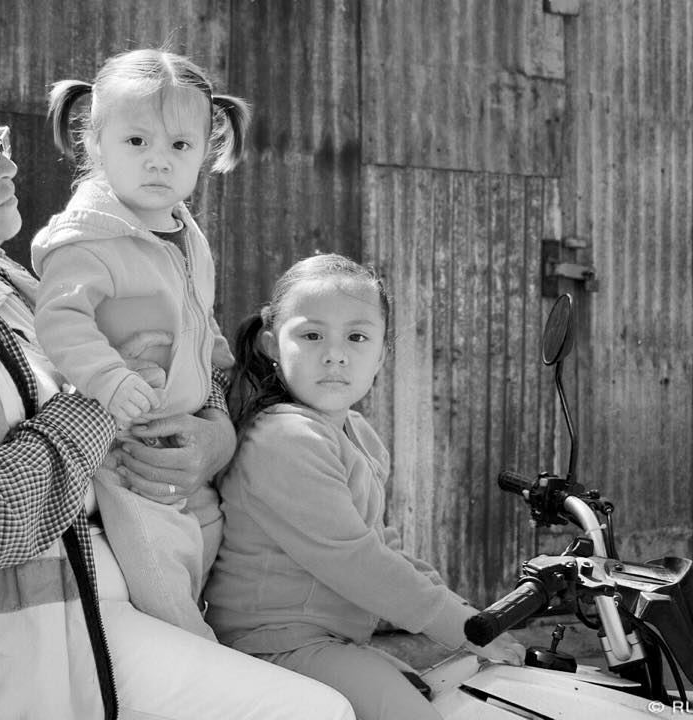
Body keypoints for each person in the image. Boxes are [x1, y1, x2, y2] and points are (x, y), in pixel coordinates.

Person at [0, 44, 354, 720]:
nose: (9, 163)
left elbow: (177, 363)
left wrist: (212, 435)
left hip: (80, 625)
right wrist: (95, 409)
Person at [204, 254, 525, 720]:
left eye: (357, 337)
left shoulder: (358, 434)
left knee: (452, 692)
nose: (335, 354)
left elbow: (383, 547)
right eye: (312, 335)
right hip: (274, 642)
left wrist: (468, 611)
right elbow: (358, 561)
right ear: (274, 344)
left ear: (381, 353)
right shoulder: (283, 439)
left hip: (331, 640)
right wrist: (465, 628)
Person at [31, 48, 248, 639]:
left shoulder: (182, 232)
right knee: (159, 571)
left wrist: (217, 371)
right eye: (135, 142)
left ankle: (209, 651)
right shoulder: (88, 239)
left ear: (208, 149)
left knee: (203, 542)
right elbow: (62, 321)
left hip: (180, 430)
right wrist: (110, 378)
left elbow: (196, 318)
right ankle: (191, 656)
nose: (159, 161)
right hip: (123, 446)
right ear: (94, 142)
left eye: (180, 146)